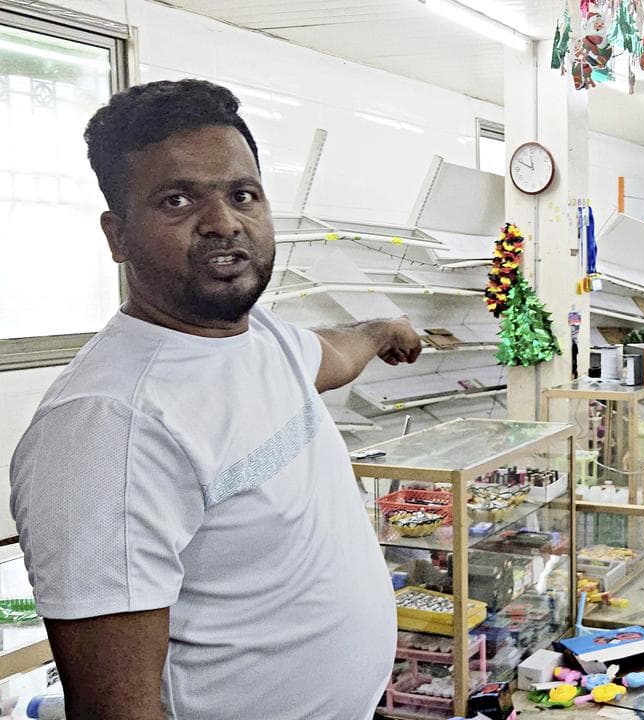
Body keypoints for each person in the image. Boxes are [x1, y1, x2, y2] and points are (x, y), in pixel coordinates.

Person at [9, 79, 422, 719]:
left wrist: (380, 332)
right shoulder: (107, 425)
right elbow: (118, 709)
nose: (223, 222)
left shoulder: (262, 341)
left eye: (242, 195)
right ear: (117, 236)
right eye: (177, 200)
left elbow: (330, 356)